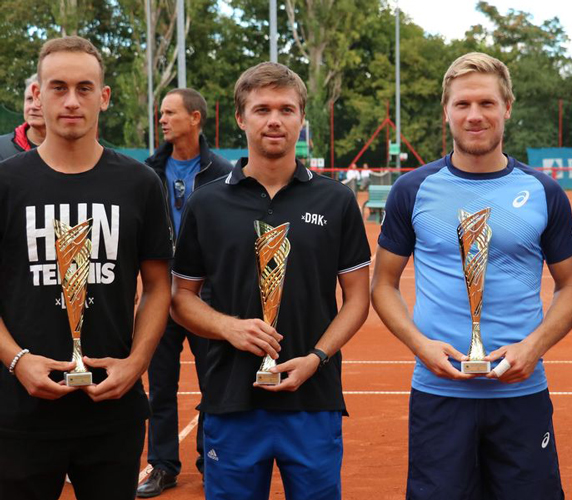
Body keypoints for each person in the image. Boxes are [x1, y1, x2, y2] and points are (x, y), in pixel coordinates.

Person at [371, 52, 572, 500]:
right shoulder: (413, 190)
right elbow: (383, 285)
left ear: (507, 107)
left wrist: (534, 346)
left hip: (520, 393)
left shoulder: (543, 191)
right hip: (439, 393)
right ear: (446, 111)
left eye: (487, 103)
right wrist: (420, 346)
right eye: (463, 104)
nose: (475, 115)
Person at [170, 62, 370, 500]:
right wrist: (230, 328)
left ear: (301, 118)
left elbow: (358, 299)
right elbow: (181, 298)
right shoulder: (207, 204)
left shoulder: (335, 200)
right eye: (261, 109)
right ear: (241, 118)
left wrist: (316, 357)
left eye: (286, 109)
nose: (274, 120)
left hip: (312, 398)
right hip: (231, 398)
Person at [0, 36, 173, 499]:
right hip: (20, 414)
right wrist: (17, 362)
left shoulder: (140, 183)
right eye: (57, 87)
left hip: (111, 414)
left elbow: (158, 286)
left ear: (104, 96)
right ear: (38, 95)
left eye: (84, 87)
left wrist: (136, 364)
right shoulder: (6, 182)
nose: (72, 101)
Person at [137, 88, 232, 498]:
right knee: (159, 385)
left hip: (205, 297)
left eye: (170, 113)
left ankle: (209, 458)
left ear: (195, 118)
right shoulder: (148, 173)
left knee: (213, 383)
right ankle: (162, 465)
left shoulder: (223, 172)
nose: (162, 119)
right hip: (159, 293)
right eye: (161, 113)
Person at [0, 74, 46, 160]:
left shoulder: (75, 150)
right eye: (29, 99)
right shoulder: (2, 148)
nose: (33, 106)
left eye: (40, 100)